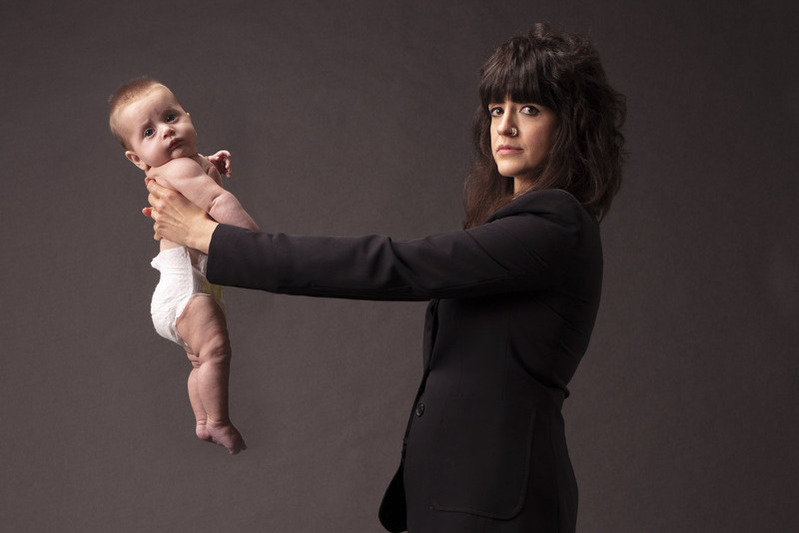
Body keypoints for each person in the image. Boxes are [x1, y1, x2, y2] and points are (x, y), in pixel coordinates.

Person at [143, 22, 625, 532]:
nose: (504, 126)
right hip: (456, 499)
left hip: (497, 507)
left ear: (569, 123)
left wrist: (210, 237)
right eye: (496, 109)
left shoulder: (556, 224)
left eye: (529, 109)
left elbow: (395, 266)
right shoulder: (517, 223)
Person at [110, 78, 259, 455]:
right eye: (149, 132)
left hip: (187, 291)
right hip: (185, 292)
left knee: (201, 361)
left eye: (171, 117)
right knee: (216, 352)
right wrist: (255, 242)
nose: (167, 130)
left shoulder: (187, 165)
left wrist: (212, 163)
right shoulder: (176, 171)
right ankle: (220, 421)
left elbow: (199, 174)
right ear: (137, 159)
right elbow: (219, 205)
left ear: (188, 117)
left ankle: (203, 423)